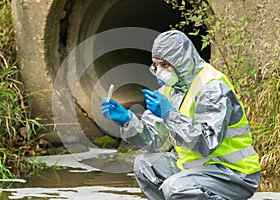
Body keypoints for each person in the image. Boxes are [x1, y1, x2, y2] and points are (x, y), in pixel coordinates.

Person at [101, 30, 261, 200]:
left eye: (165, 65)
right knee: (144, 165)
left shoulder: (212, 87)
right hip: (198, 169)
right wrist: (127, 120)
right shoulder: (171, 88)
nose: (159, 71)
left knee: (175, 187)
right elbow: (155, 140)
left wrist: (169, 115)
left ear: (181, 61)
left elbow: (206, 144)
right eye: (156, 65)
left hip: (234, 173)